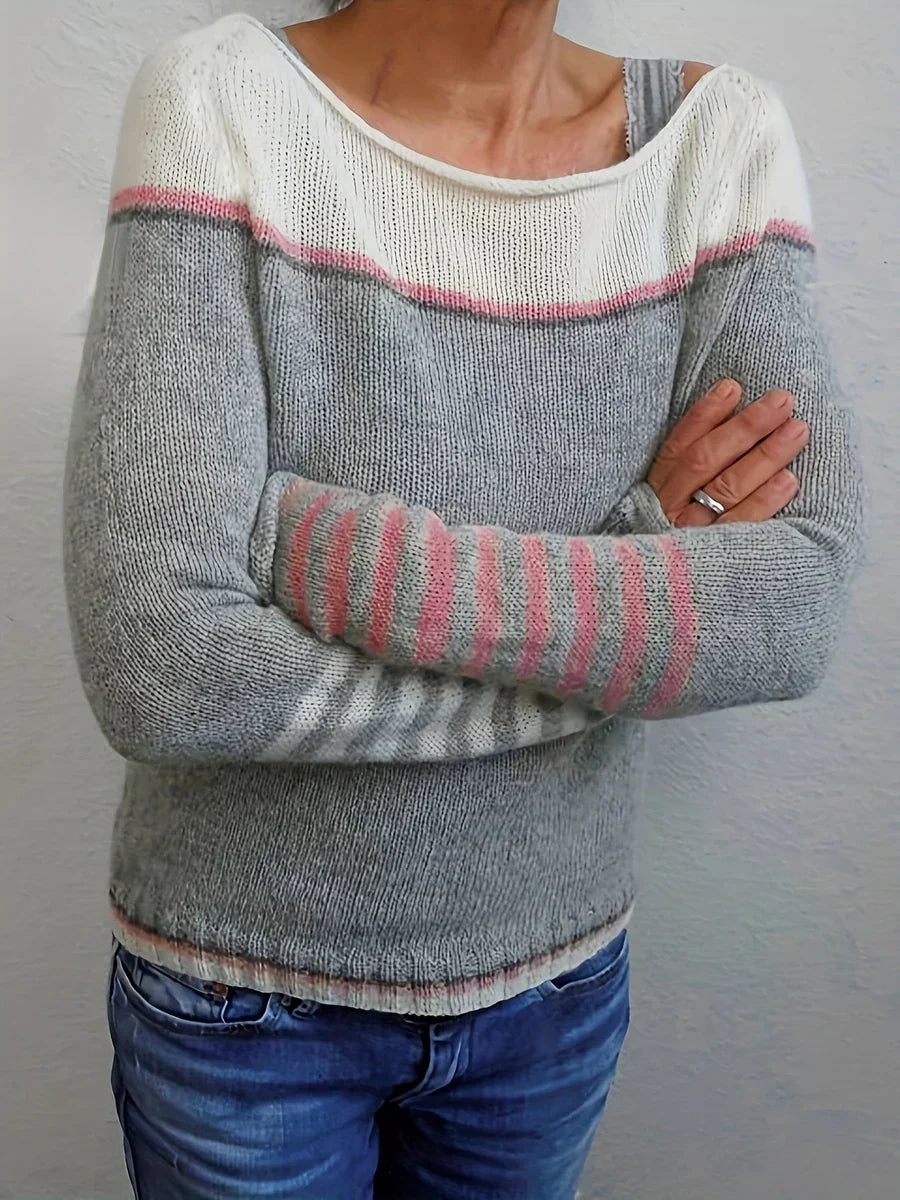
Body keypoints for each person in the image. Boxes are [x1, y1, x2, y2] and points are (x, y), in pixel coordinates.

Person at [62, 1, 863, 1197]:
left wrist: (336, 554)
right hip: (240, 999)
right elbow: (162, 671)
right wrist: (632, 605)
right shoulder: (221, 101)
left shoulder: (714, 142)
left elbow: (794, 608)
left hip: (555, 992)